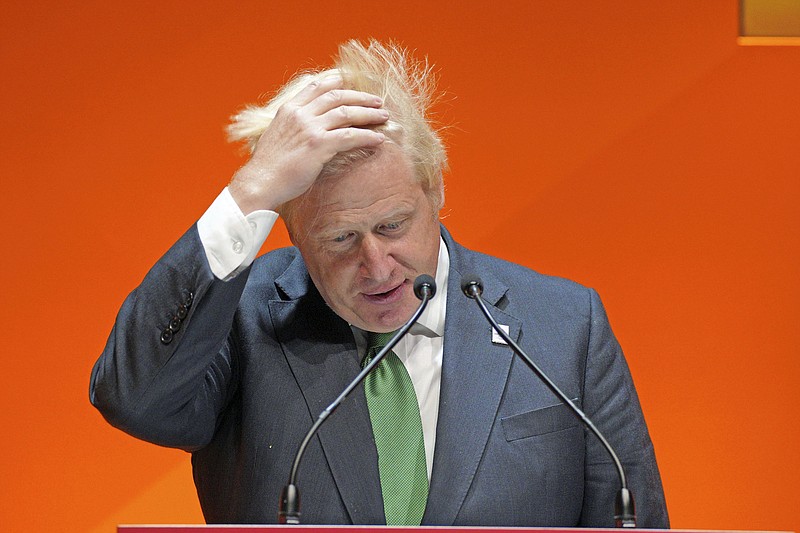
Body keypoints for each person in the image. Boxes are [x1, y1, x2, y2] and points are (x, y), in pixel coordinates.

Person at [90, 39, 669, 527]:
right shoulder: (245, 318)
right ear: (290, 231)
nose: (377, 265)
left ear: (436, 193)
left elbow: (633, 518)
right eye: (340, 239)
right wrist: (251, 190)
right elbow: (135, 400)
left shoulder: (563, 326)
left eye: (393, 226)